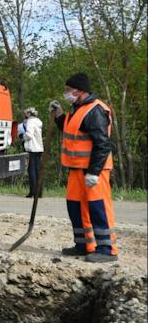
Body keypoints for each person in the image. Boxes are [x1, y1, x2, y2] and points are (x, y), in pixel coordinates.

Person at [49, 72, 118, 263]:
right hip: (76, 169)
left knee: (98, 208)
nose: (66, 93)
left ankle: (106, 249)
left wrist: (94, 172)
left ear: (79, 91)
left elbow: (102, 144)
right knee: (75, 207)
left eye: (68, 90)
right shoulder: (76, 108)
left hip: (93, 171)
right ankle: (84, 244)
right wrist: (59, 115)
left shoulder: (95, 111)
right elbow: (70, 129)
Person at [21, 107, 43, 198]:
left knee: (31, 170)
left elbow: (29, 135)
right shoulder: (38, 121)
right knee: (37, 170)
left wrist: (22, 136)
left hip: (32, 148)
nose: (25, 115)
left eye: (26, 113)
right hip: (39, 148)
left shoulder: (30, 122)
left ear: (29, 114)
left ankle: (32, 192)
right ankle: (39, 192)